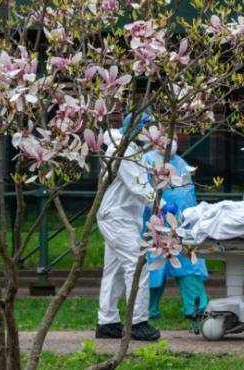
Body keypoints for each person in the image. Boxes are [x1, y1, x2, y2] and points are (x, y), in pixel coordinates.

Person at [95, 110, 161, 341]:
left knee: (113, 271)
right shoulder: (122, 152)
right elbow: (138, 186)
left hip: (122, 217)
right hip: (117, 218)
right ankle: (138, 321)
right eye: (150, 129)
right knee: (137, 265)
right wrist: (159, 204)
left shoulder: (134, 151)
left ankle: (107, 322)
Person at [142, 135, 209, 320]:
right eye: (164, 138)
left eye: (174, 138)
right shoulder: (147, 161)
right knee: (155, 268)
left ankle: (197, 307)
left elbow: (188, 193)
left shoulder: (181, 162)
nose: (169, 143)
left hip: (184, 224)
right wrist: (161, 206)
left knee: (188, 265)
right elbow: (143, 191)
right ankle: (146, 311)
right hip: (156, 224)